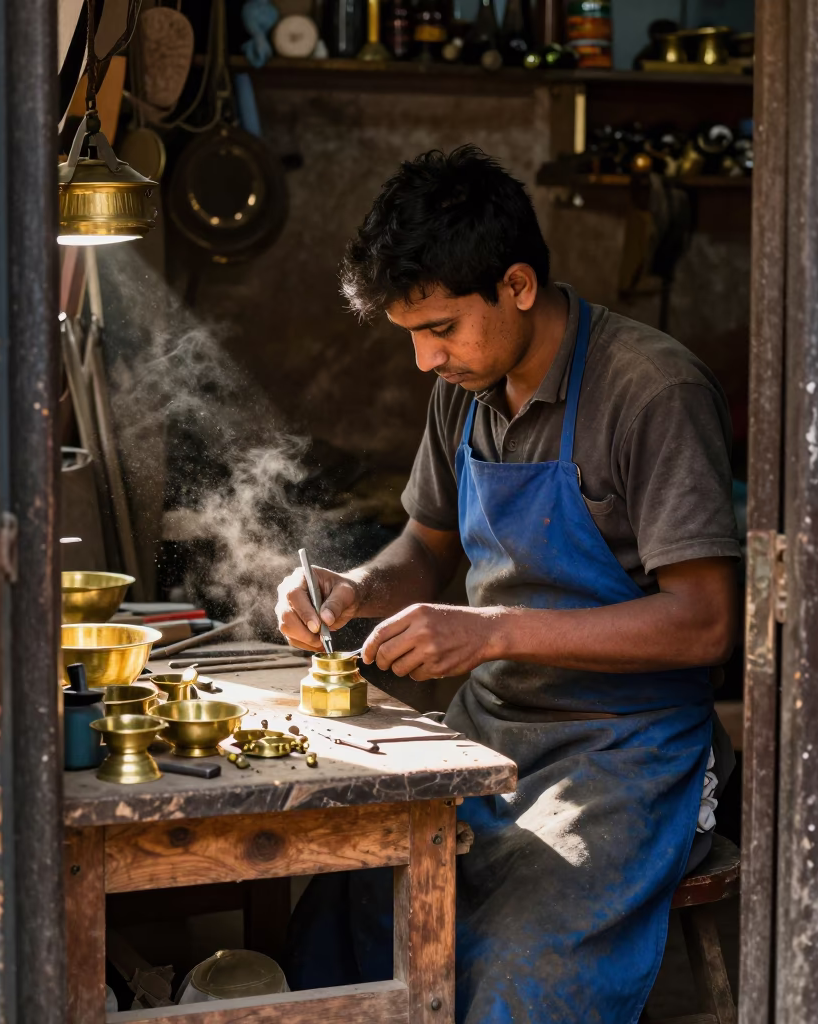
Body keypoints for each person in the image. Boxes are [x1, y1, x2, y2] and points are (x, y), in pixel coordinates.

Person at [274, 145, 740, 1023]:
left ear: (518, 285)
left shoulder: (653, 391)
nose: (424, 359)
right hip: (489, 730)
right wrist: (354, 587)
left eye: (441, 328)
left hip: (625, 751)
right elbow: (423, 546)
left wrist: (488, 632)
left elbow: (706, 624)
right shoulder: (465, 387)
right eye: (410, 333)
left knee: (521, 961)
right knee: (354, 897)